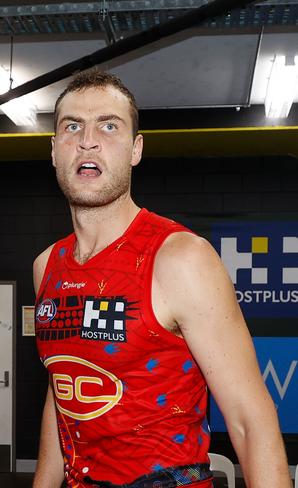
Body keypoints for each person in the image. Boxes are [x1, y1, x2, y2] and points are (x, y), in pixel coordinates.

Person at [32, 70, 290, 488]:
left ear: (136, 150)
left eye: (109, 125)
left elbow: (249, 420)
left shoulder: (180, 257)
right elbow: (62, 386)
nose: (88, 140)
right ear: (55, 150)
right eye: (72, 126)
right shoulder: (48, 265)